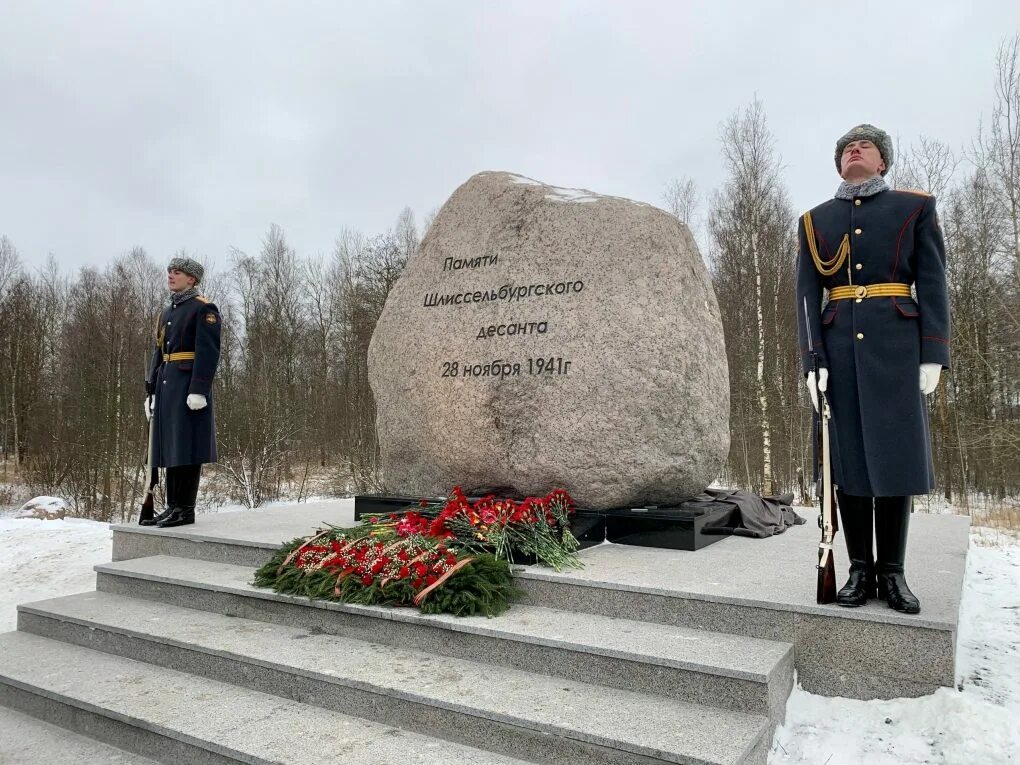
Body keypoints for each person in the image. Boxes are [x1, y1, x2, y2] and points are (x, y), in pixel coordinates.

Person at [795, 124, 951, 615]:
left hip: (898, 349)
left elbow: (933, 282)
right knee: (850, 463)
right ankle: (859, 568)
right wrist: (812, 361)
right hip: (839, 353)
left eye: (864, 146)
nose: (852, 151)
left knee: (896, 459)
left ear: (883, 161)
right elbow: (806, 297)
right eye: (844, 148)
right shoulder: (815, 221)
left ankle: (894, 572)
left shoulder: (914, 208)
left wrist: (933, 354)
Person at [140, 256, 221, 528]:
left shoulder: (203, 309)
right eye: (169, 272)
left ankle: (185, 509)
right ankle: (173, 506)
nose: (171, 276)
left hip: (188, 386)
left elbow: (208, 353)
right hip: (167, 385)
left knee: (187, 447)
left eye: (177, 272)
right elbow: (159, 352)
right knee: (171, 447)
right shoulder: (167, 312)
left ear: (192, 279)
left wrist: (199, 389)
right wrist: (150, 390)